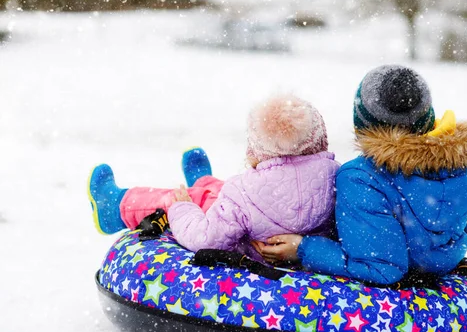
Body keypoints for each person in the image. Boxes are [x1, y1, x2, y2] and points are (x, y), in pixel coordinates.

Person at [257, 65, 467, 285]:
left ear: (364, 125)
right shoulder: (459, 164)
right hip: (440, 264)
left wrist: (303, 248)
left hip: (392, 279)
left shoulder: (361, 178)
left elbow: (381, 268)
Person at [88, 95, 340, 262]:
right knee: (220, 193)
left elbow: (205, 239)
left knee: (183, 200)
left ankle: (116, 207)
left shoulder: (242, 192)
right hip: (293, 248)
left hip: (251, 249)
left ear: (257, 149)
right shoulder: (337, 177)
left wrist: (182, 208)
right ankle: (204, 181)